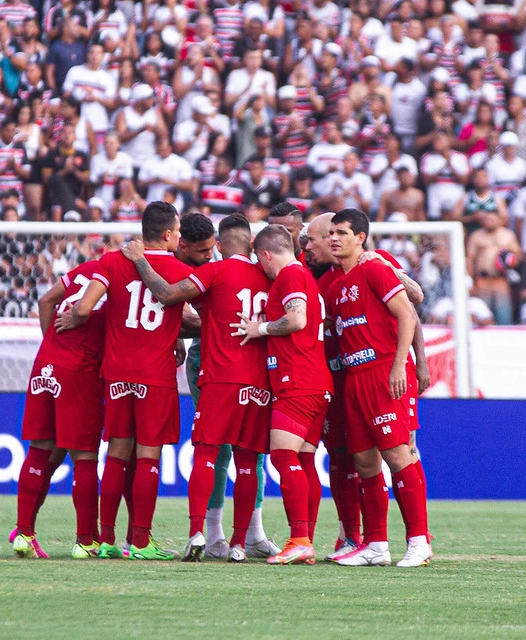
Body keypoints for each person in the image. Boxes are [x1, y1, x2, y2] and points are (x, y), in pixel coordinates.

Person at [121, 215, 276, 563]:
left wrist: (140, 260)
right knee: (249, 460)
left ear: (219, 246)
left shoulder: (214, 272)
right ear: (252, 246)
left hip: (220, 378)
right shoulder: (269, 277)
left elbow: (165, 294)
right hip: (259, 382)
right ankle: (238, 544)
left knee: (207, 454)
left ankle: (197, 534)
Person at [56, 202, 193, 561]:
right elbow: (189, 315)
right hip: (155, 374)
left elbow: (84, 309)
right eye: (177, 232)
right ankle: (143, 543)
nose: (179, 237)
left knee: (116, 455)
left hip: (117, 372)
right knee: (148, 458)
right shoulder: (179, 271)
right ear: (167, 234)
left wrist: (73, 318)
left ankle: (106, 539)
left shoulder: (113, 261)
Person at [326, 208, 431, 568]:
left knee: (397, 454)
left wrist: (401, 364)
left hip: (383, 372)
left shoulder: (374, 269)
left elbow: (406, 314)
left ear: (360, 238)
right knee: (365, 462)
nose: (334, 238)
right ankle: (375, 545)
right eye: (331, 233)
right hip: (354, 378)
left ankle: (419, 541)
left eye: (342, 232)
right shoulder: (338, 285)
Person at [231, 224, 332, 565]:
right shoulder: (305, 276)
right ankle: (306, 540)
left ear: (265, 255)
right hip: (317, 382)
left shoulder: (289, 276)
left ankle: (300, 538)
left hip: (298, 382)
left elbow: (297, 319)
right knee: (303, 460)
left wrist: (259, 328)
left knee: (283, 458)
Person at [12, 260, 107, 559]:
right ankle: (85, 541)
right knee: (84, 457)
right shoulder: (120, 281)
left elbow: (45, 300)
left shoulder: (88, 268)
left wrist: (52, 343)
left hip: (45, 365)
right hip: (79, 370)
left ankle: (23, 534)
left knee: (40, 450)